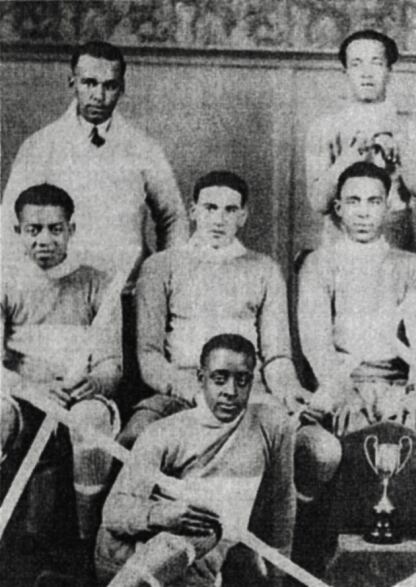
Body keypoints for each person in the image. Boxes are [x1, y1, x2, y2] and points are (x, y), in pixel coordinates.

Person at [120, 171, 339, 502]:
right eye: (209, 208)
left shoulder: (264, 269)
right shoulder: (160, 266)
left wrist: (289, 390)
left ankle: (279, 538)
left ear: (243, 216)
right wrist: (194, 392)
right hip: (181, 393)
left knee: (322, 450)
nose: (218, 220)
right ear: (193, 211)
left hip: (250, 394)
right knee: (133, 441)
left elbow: (277, 356)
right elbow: (149, 356)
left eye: (229, 210)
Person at [95, 334, 295, 587]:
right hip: (131, 555)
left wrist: (278, 576)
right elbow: (113, 512)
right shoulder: (166, 432)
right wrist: (163, 515)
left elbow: (282, 502)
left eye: (242, 381)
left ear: (252, 382)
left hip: (201, 563)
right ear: (201, 379)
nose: (230, 392)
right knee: (204, 528)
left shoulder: (271, 426)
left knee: (209, 533)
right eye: (219, 379)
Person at [1, 184, 122, 546]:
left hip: (76, 397)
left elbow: (111, 363)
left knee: (92, 419)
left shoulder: (98, 284)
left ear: (71, 229)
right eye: (33, 229)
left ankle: (89, 539)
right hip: (22, 395)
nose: (44, 239)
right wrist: (31, 389)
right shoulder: (4, 283)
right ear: (17, 231)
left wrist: (97, 382)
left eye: (55, 228)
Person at [2, 40, 187, 277]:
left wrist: (165, 278)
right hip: (61, 291)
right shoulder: (40, 146)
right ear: (73, 82)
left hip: (126, 291)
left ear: (122, 87)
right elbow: (9, 222)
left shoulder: (144, 148)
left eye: (109, 86)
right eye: (89, 83)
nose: (99, 95)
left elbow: (173, 218)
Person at [298, 161, 416, 448]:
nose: (364, 212)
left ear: (387, 207)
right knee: (355, 437)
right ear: (338, 208)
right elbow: (316, 344)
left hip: (396, 384)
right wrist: (343, 391)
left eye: (373, 201)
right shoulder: (319, 264)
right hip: (341, 381)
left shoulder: (408, 266)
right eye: (354, 201)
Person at [306, 29, 416, 251]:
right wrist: (347, 160)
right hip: (339, 247)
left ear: (389, 71)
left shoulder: (412, 126)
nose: (366, 73)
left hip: (395, 243)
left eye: (376, 62)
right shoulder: (323, 127)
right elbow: (319, 203)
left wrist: (400, 152)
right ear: (345, 72)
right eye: (357, 64)